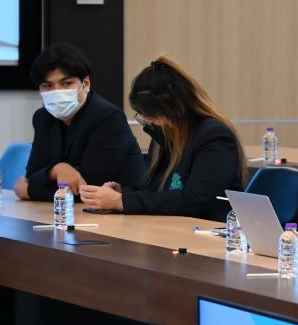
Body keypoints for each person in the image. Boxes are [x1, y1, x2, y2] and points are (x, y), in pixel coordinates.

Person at [79, 56, 245, 220]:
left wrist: (121, 201)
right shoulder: (164, 135)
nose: (148, 121)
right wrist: (121, 194)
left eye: (151, 114)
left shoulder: (215, 137)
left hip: (209, 230)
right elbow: (154, 189)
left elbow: (194, 201)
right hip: (173, 227)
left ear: (176, 108)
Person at [15, 43, 144, 201]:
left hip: (122, 210)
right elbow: (33, 173)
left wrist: (28, 190)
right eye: (47, 86)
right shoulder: (43, 118)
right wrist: (57, 170)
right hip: (71, 211)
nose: (57, 91)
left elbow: (88, 188)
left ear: (86, 84)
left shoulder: (108, 117)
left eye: (66, 83)